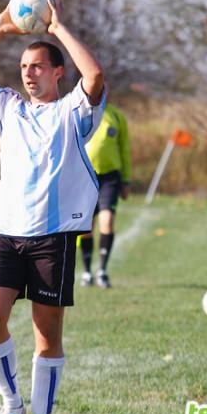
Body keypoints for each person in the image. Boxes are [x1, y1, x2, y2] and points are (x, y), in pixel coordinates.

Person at [0, 0, 105, 414]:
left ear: (58, 72)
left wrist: (57, 29)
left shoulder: (75, 113)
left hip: (52, 239)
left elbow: (94, 76)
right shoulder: (6, 107)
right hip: (5, 235)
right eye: (23, 68)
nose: (28, 73)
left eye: (37, 66)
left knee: (47, 337)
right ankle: (11, 404)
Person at [78, 104, 132, 288]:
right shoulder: (80, 112)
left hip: (110, 177)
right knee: (85, 228)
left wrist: (126, 179)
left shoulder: (116, 116)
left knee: (107, 222)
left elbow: (124, 149)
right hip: (84, 176)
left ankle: (102, 270)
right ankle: (86, 272)